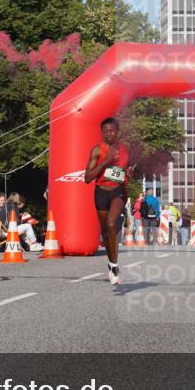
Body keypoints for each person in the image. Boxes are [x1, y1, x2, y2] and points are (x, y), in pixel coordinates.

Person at [84, 117, 131, 285]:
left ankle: (115, 265)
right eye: (106, 131)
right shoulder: (97, 150)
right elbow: (87, 178)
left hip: (118, 192)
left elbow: (127, 169)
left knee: (111, 225)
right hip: (101, 192)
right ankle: (112, 265)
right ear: (102, 133)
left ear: (118, 132)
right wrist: (105, 162)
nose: (109, 134)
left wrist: (128, 174)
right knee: (105, 231)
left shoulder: (126, 150)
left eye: (112, 131)